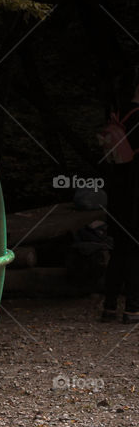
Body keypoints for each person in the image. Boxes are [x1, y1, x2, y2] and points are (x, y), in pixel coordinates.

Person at [100, 86, 139, 324]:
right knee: (136, 247)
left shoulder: (117, 115)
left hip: (117, 190)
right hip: (136, 189)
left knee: (119, 248)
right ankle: (133, 308)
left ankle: (110, 305)